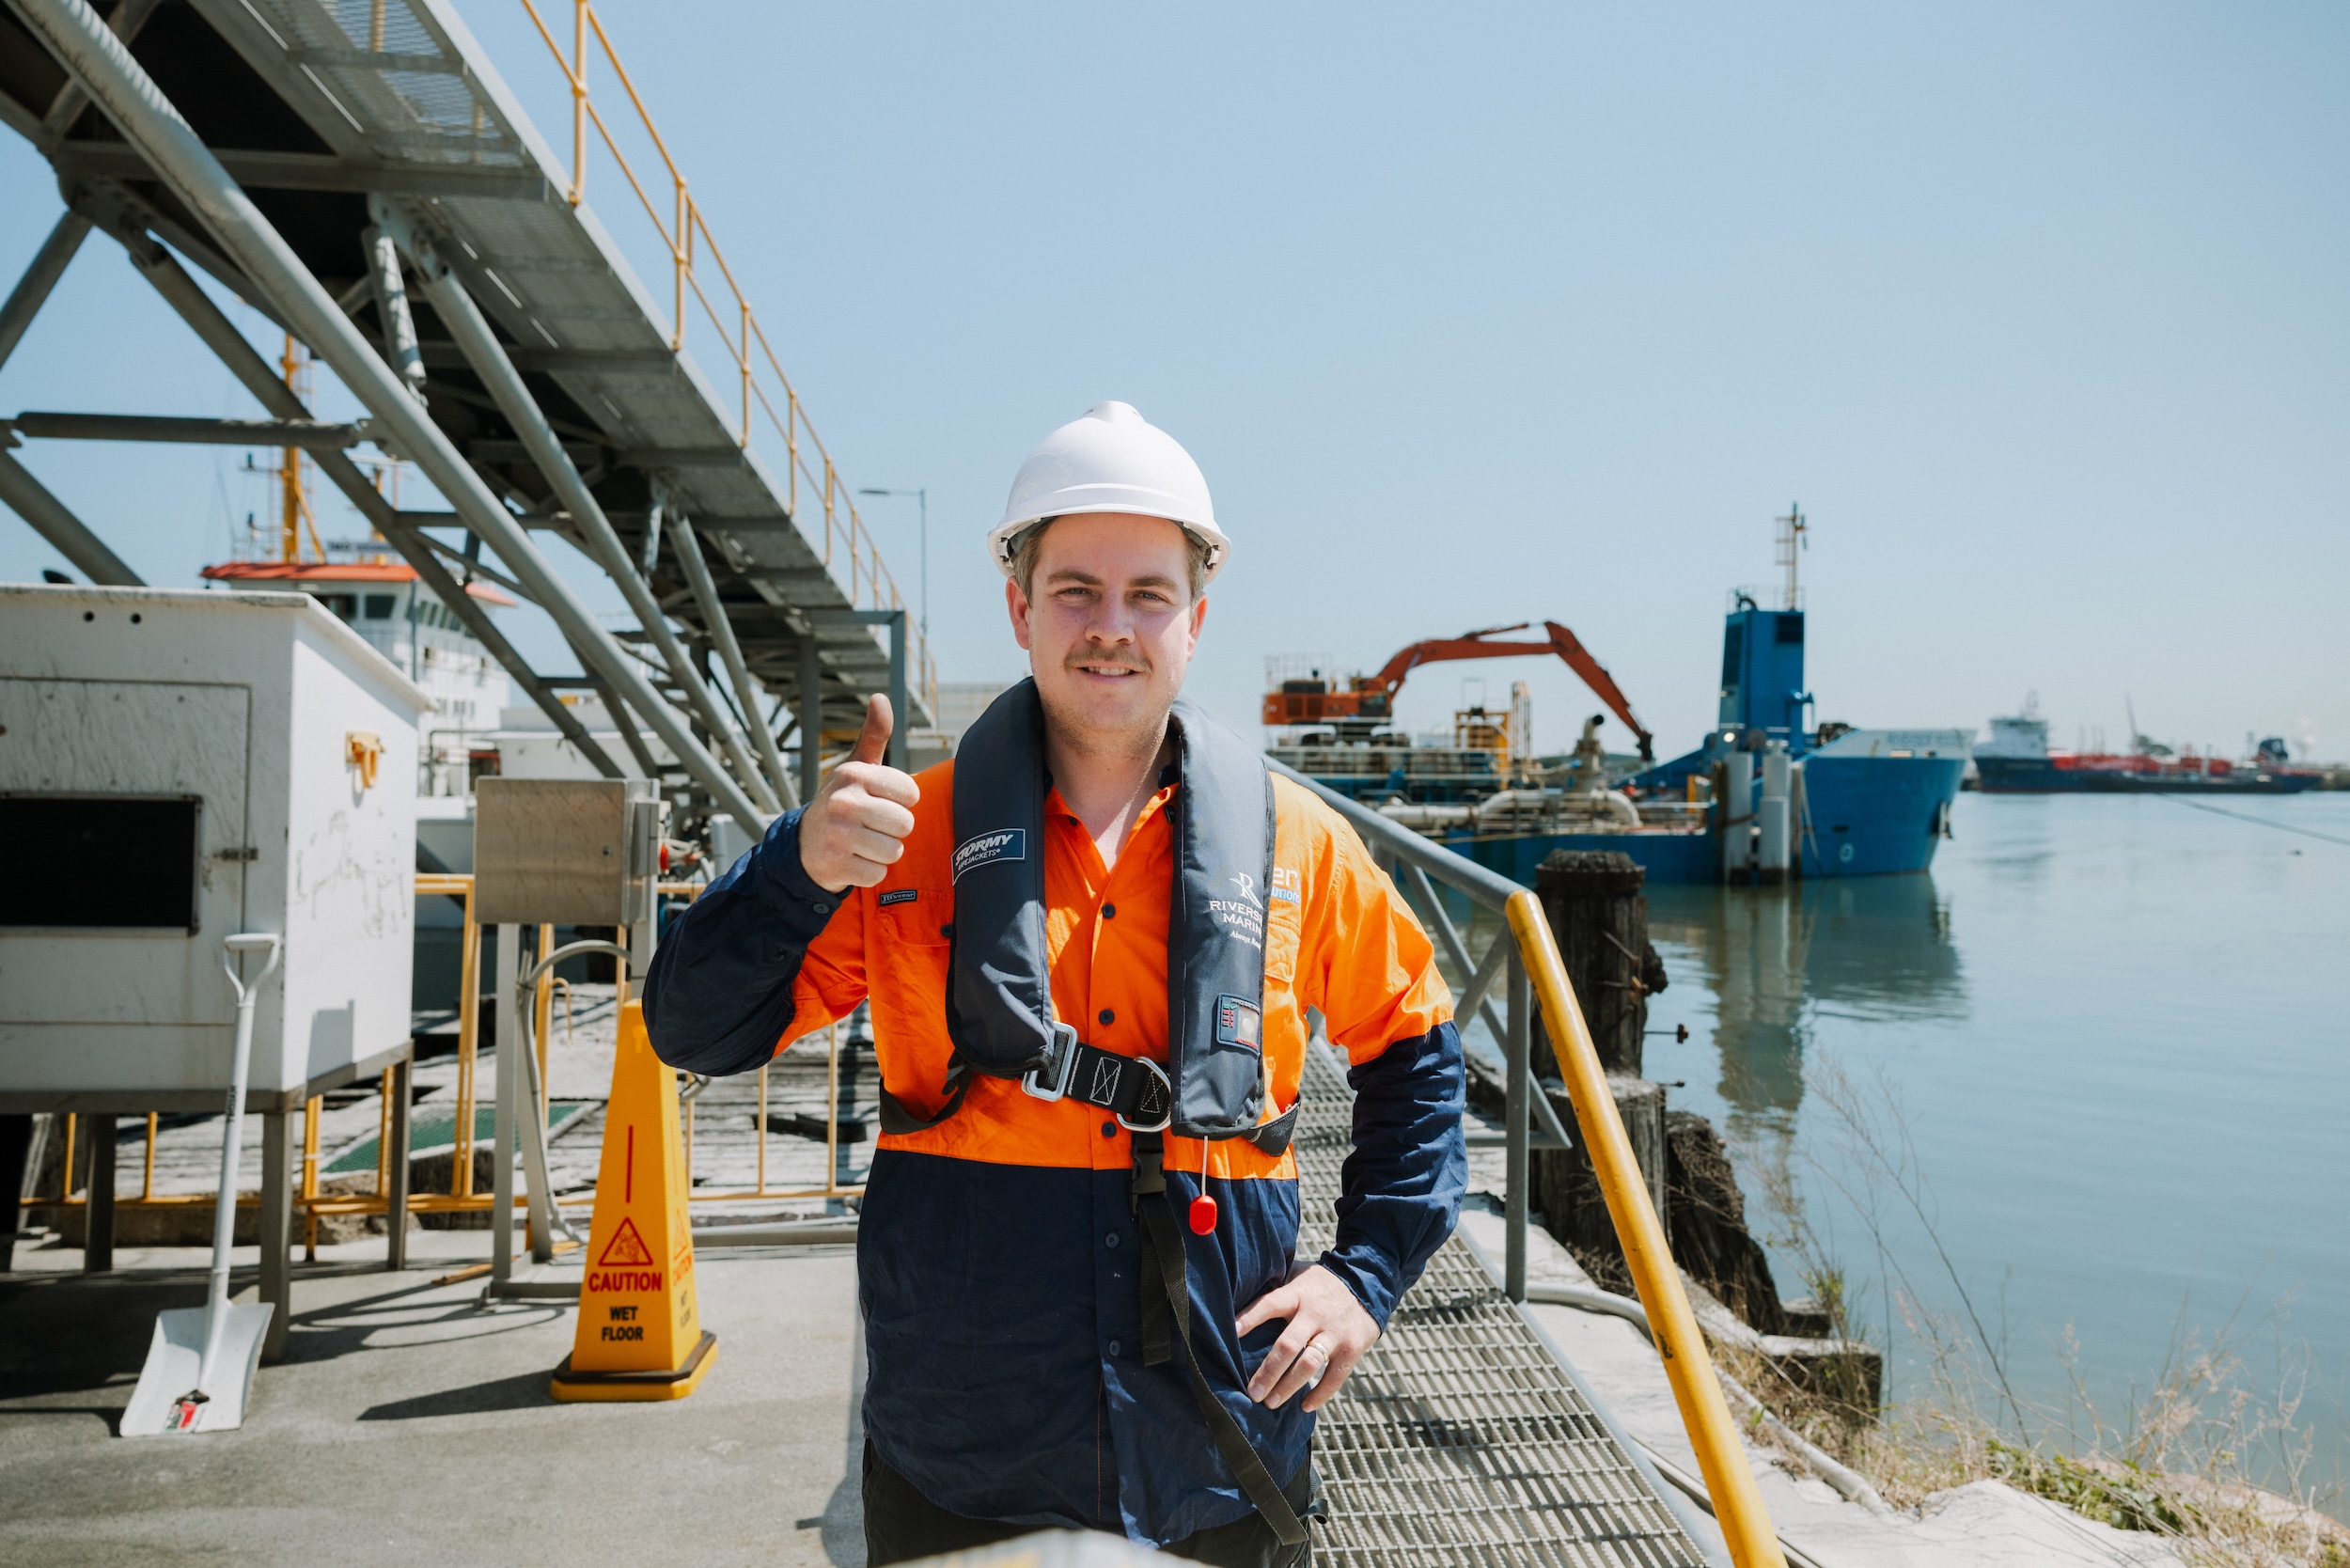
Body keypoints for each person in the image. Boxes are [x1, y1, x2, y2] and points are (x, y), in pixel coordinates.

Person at [642, 400, 1465, 1566]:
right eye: (1075, 590)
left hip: (1218, 1447)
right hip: (965, 1449)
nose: (1110, 628)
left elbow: (1420, 1064)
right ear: (1020, 607)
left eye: (1148, 595)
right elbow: (690, 1032)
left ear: (1197, 619)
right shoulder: (898, 841)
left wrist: (1362, 1279)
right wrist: (796, 870)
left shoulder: (1299, 845)